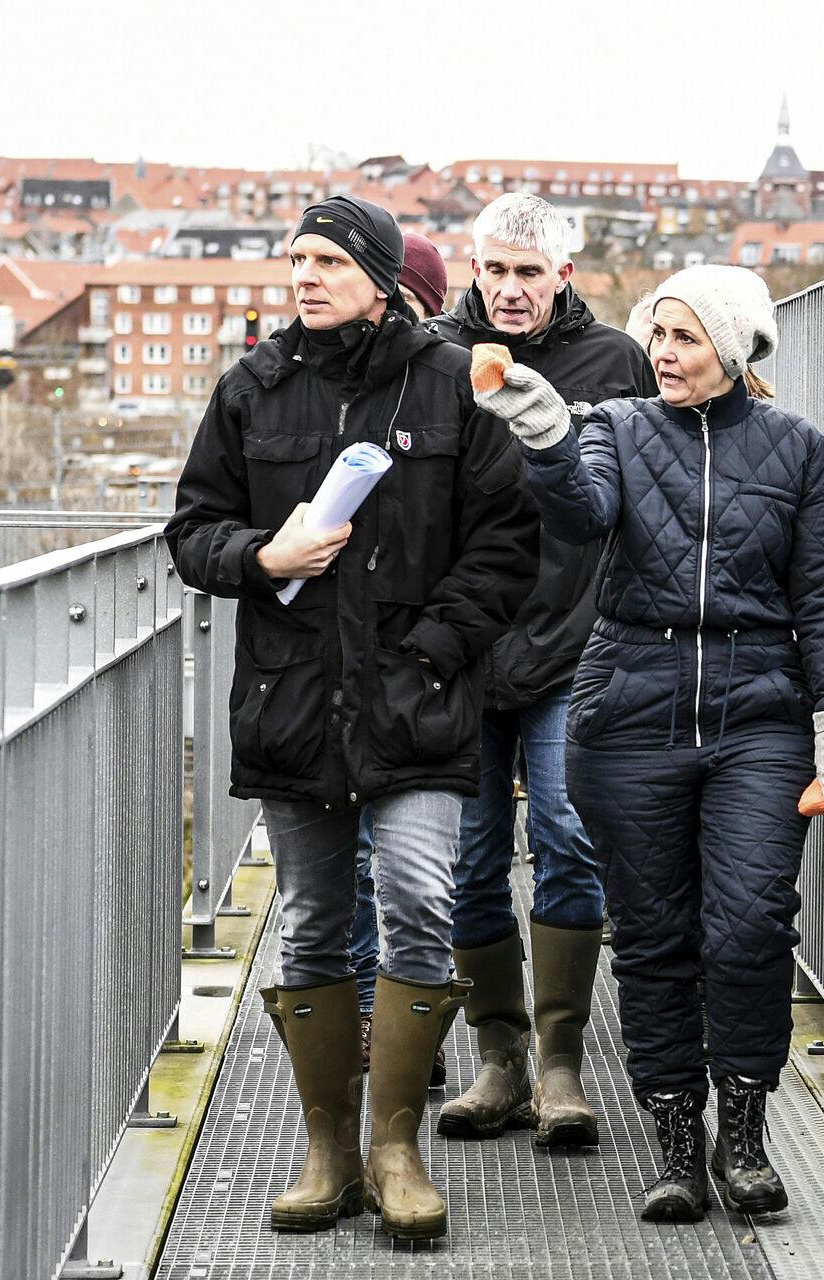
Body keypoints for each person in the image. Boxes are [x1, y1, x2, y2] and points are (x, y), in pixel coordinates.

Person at [169, 197, 538, 1241]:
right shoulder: (253, 388)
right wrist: (263, 557)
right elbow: (191, 530)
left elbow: (508, 538)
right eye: (295, 260)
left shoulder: (449, 383)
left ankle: (398, 1146)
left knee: (419, 898)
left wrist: (434, 649)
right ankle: (327, 1147)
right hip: (294, 702)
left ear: (378, 273)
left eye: (327, 259)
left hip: (415, 705)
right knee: (312, 921)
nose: (304, 277)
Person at [472, 264, 824, 1222]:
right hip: (630, 714)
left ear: (732, 349)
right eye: (657, 335)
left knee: (750, 925)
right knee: (654, 940)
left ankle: (744, 1132)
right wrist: (546, 433)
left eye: (685, 338)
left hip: (760, 719)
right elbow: (581, 512)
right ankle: (676, 1148)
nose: (662, 353)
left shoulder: (796, 448)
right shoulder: (616, 425)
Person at [423, 193, 658, 1150]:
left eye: (530, 273)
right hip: (464, 645)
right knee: (471, 856)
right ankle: (499, 1054)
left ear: (566, 275)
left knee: (566, 835)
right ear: (474, 268)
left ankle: (561, 1059)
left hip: (575, 639)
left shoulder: (615, 365)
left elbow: (649, 495)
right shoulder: (436, 362)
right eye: (495, 270)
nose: (510, 290)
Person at [346, 231, 453, 1088]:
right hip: (327, 671)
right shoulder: (298, 384)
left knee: (414, 877)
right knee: (340, 877)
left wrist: (439, 643)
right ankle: (360, 1042)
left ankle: (404, 1044)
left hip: (422, 669)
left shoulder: (446, 391)